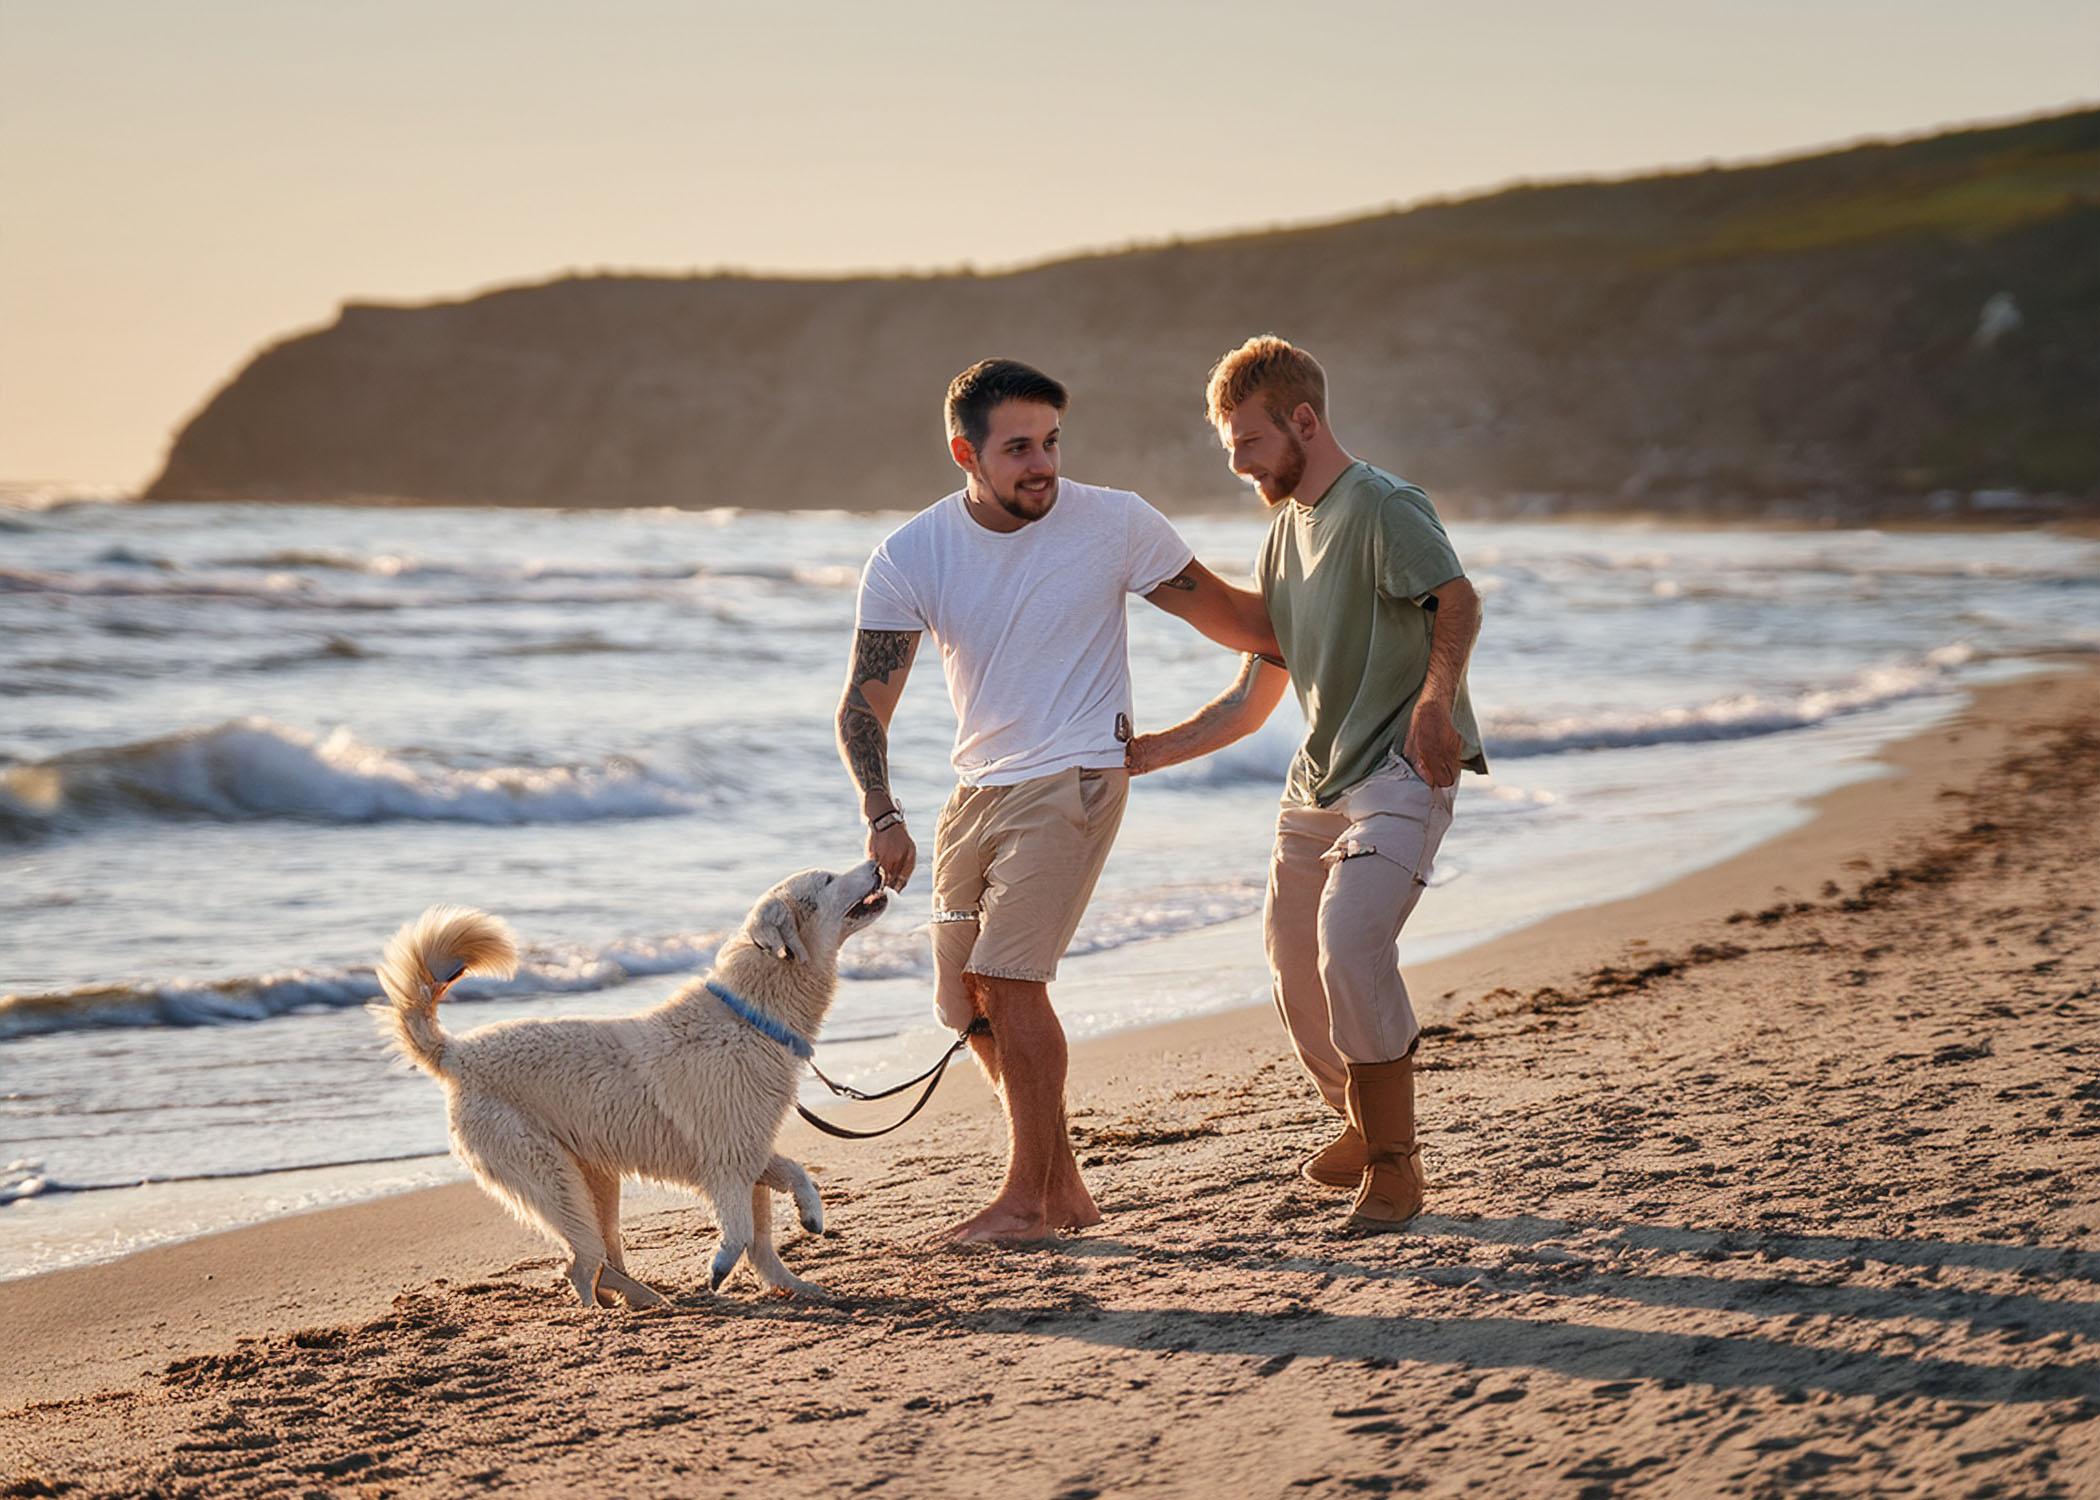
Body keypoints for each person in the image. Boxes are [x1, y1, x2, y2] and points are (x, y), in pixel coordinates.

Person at [838, 357, 1278, 1244]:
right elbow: (862, 703)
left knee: (1009, 979)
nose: (1042, 464)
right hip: (976, 791)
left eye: (1051, 442)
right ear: (966, 451)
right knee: (964, 1004)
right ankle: (1065, 1191)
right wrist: (881, 811)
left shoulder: (1113, 523)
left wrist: (1196, 733)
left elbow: (1250, 624)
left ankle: (1028, 1200)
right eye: (1018, 448)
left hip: (1076, 777)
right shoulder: (912, 553)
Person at [1126, 335, 1486, 1231]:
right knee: (1294, 971)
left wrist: (1436, 703)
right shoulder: (1282, 535)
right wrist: (1147, 754)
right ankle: (1365, 1124)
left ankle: (1397, 1166)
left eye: (1248, 442)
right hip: (1317, 779)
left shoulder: (1384, 505)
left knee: (1349, 946)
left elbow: (1458, 599)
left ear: (1304, 420)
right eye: (1230, 449)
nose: (1239, 463)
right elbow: (1259, 691)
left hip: (1402, 768)